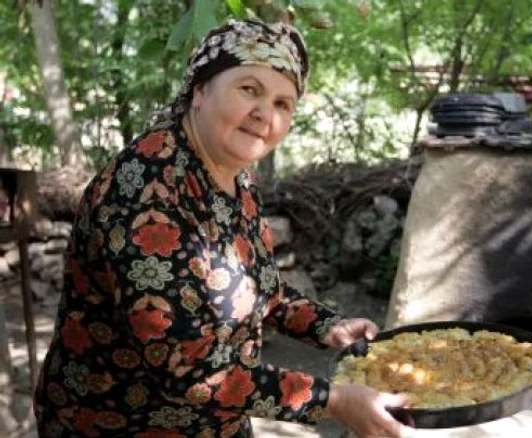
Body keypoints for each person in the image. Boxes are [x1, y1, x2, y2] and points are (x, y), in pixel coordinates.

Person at [33, 19, 413, 438]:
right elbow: (189, 369)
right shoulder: (145, 188)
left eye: (283, 104)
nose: (264, 113)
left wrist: (325, 325)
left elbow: (260, 290)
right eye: (249, 89)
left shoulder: (237, 179)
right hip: (117, 423)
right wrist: (334, 400)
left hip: (217, 422)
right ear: (199, 90)